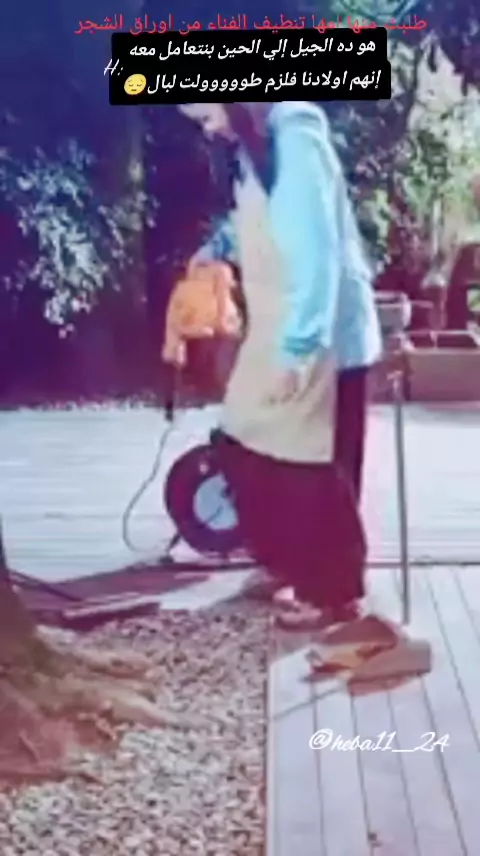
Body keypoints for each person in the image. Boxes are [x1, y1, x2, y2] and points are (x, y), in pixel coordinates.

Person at [177, 101, 382, 627]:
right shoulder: (255, 146)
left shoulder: (296, 135)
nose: (209, 130)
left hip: (321, 333)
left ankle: (333, 595)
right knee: (242, 437)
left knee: (311, 465)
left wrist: (300, 350)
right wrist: (217, 247)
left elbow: (315, 255)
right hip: (279, 327)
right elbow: (259, 217)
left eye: (206, 116)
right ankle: (284, 563)